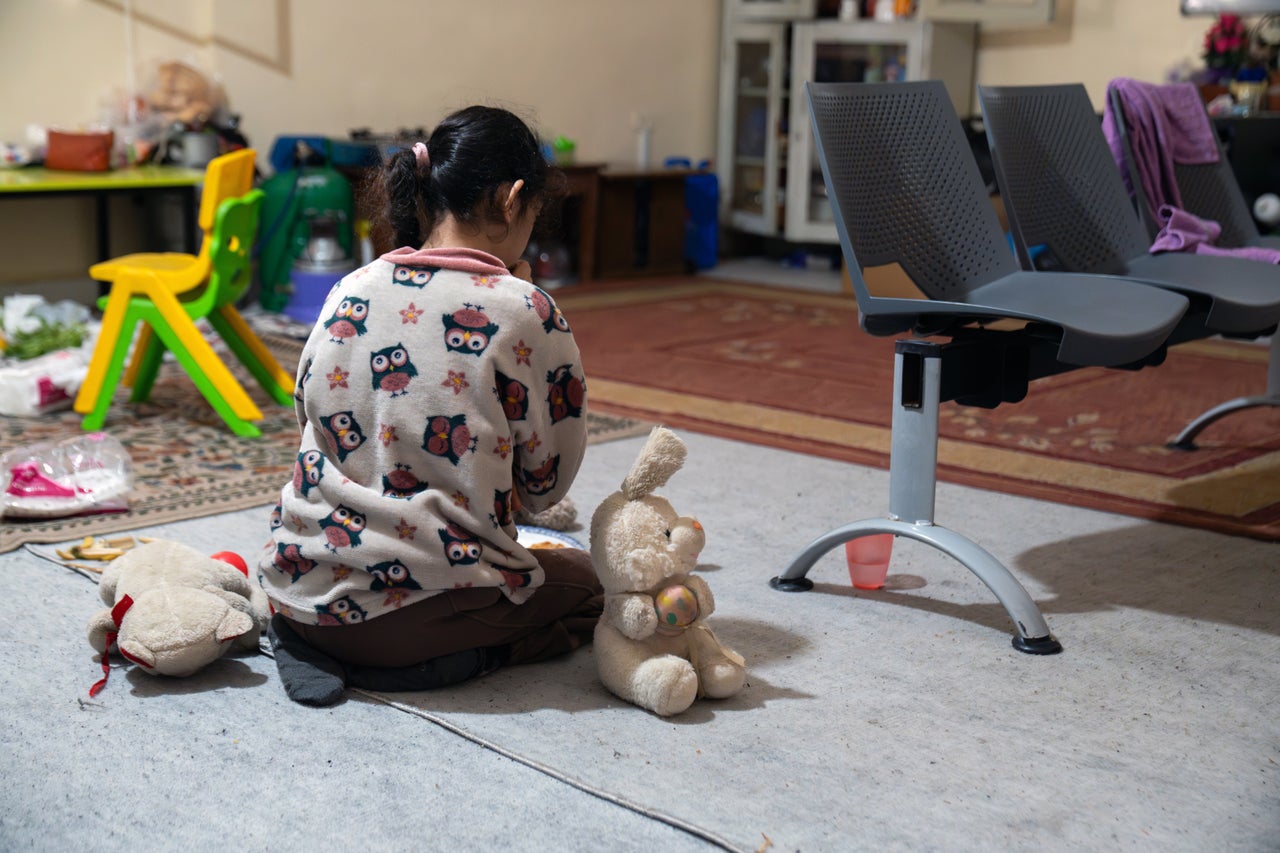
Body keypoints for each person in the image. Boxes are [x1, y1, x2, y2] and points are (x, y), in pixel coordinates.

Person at [259, 105, 600, 706]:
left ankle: (303, 641)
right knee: (585, 583)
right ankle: (441, 663)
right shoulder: (525, 309)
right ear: (513, 197)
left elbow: (310, 414)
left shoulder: (349, 287)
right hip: (415, 618)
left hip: (299, 587)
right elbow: (544, 486)